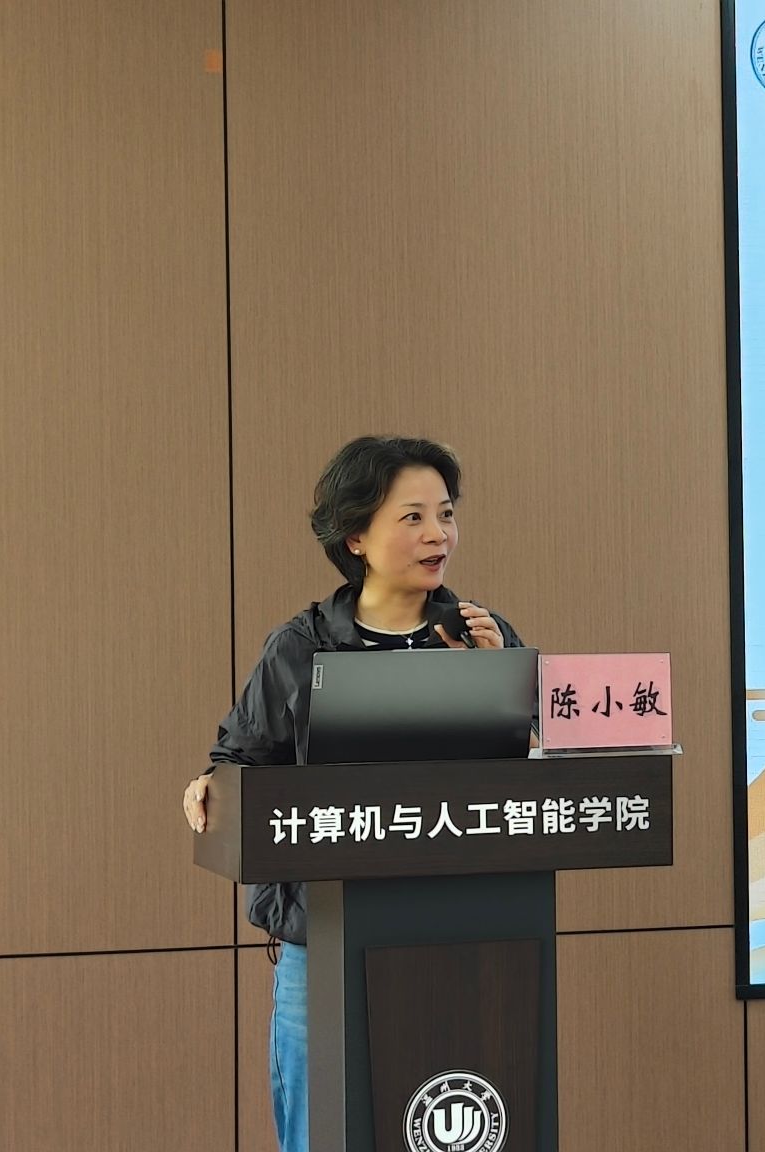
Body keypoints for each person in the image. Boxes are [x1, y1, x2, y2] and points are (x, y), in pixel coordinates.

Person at [180, 435, 523, 1152]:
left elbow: (533, 777)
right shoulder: (300, 647)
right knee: (322, 1127)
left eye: (446, 514)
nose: (439, 534)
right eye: (413, 517)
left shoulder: (481, 637)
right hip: (327, 934)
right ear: (355, 536)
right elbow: (239, 760)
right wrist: (212, 787)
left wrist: (500, 678)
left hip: (458, 934)